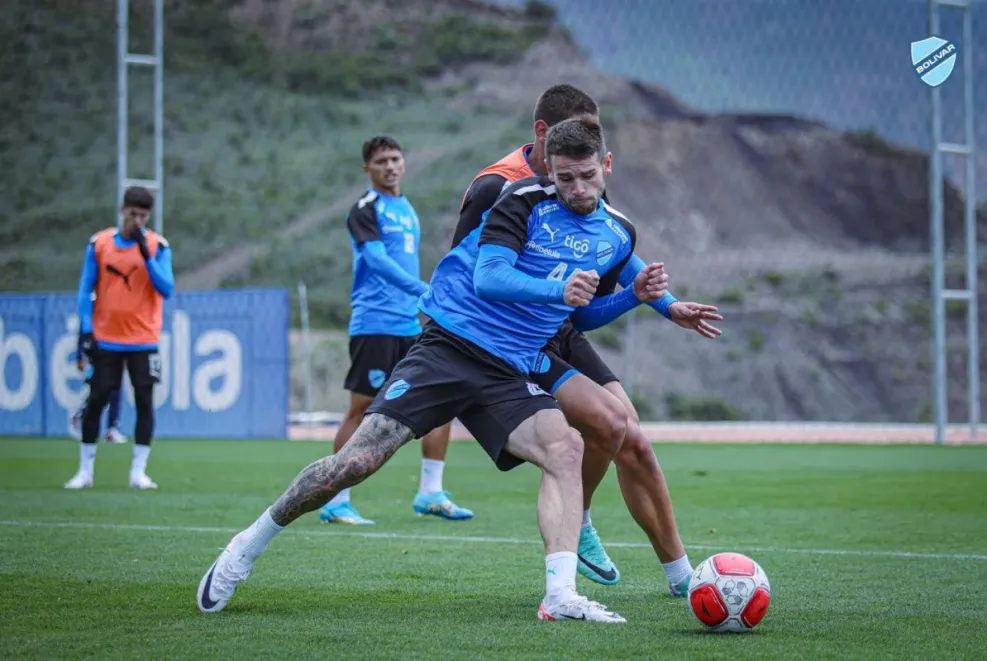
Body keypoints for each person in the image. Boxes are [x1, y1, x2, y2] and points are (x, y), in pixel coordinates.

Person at [197, 116, 666, 623]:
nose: (576, 187)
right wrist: (560, 290)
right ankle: (247, 545)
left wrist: (634, 299)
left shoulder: (616, 232)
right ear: (548, 169)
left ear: (606, 166)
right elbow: (488, 279)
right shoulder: (519, 200)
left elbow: (581, 314)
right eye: (564, 177)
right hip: (451, 347)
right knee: (356, 463)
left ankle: (559, 596)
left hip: (510, 369)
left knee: (566, 448)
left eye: (586, 176)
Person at [457, 84, 722, 596]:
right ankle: (574, 521)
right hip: (511, 335)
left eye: (594, 156)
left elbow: (616, 254)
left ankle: (681, 579)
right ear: (545, 138)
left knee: (633, 438)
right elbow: (468, 274)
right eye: (575, 154)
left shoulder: (581, 179)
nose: (583, 176)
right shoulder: (499, 188)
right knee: (607, 425)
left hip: (562, 323)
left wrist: (668, 305)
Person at [316, 135, 473, 525]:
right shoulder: (365, 208)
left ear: (404, 163)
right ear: (367, 168)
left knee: (443, 400)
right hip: (376, 323)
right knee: (361, 408)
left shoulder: (407, 208)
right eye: (381, 160)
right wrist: (423, 290)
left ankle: (431, 492)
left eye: (395, 158)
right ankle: (336, 499)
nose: (390, 165)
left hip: (409, 324)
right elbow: (377, 261)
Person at [64, 186, 174, 490]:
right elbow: (86, 289)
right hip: (106, 339)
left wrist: (145, 255)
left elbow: (166, 288)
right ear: (122, 209)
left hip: (143, 340)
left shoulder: (157, 246)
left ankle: (138, 472)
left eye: (143, 215)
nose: (137, 220)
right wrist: (86, 329)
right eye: (132, 213)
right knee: (96, 400)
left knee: (144, 402)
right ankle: (85, 471)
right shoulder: (98, 244)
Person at [69, 327, 127, 445]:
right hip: (99, 348)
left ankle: (112, 427)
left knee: (115, 388)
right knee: (101, 389)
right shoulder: (94, 312)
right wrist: (80, 356)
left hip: (115, 347)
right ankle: (81, 414)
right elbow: (84, 327)